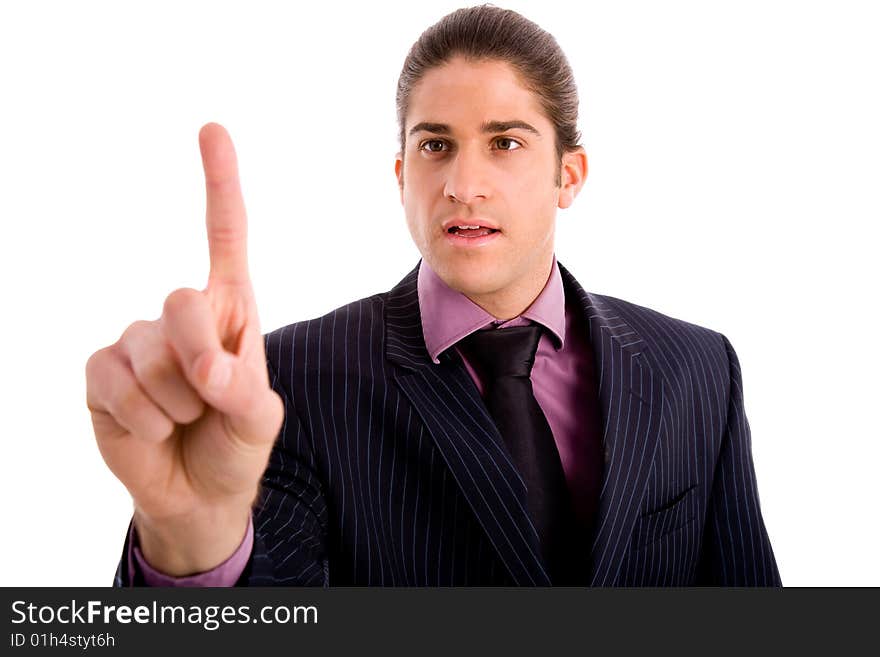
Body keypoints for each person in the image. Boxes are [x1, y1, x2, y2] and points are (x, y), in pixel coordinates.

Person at [87, 5, 781, 586]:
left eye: (505, 143)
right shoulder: (290, 378)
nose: (462, 184)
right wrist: (193, 540)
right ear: (401, 173)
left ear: (570, 175)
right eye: (435, 146)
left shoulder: (697, 367)